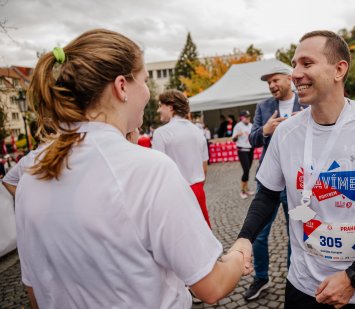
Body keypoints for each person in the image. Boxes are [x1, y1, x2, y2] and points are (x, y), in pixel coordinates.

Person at [14, 29, 251, 309]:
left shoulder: (31, 175)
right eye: (145, 81)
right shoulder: (148, 170)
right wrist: (238, 253)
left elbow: (35, 293)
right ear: (121, 87)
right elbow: (212, 286)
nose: (148, 92)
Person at [233, 30, 355, 308]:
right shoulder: (285, 133)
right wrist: (244, 238)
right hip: (302, 285)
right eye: (294, 64)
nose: (295, 73)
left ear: (339, 69)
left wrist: (354, 276)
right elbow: (267, 194)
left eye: (306, 64)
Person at [243, 64, 305, 301]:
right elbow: (252, 139)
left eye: (275, 80)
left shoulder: (307, 103)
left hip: (298, 180)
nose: (271, 86)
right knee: (259, 233)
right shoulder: (264, 106)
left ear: (289, 78)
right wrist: (266, 130)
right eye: (268, 83)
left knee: (296, 232)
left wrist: (306, 121)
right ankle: (260, 278)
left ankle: (293, 277)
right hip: (269, 179)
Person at [152, 89, 212, 228]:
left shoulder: (161, 133)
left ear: (170, 107)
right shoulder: (198, 131)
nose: (158, 110)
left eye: (161, 105)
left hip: (176, 194)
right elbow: (204, 168)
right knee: (203, 235)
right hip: (198, 191)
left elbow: (159, 171)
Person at [232, 110, 254, 199]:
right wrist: (237, 135)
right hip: (242, 150)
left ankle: (246, 188)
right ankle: (242, 190)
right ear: (242, 117)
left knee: (248, 170)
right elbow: (233, 139)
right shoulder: (238, 126)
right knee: (245, 170)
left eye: (249, 117)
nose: (248, 118)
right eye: (246, 117)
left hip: (250, 150)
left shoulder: (251, 125)